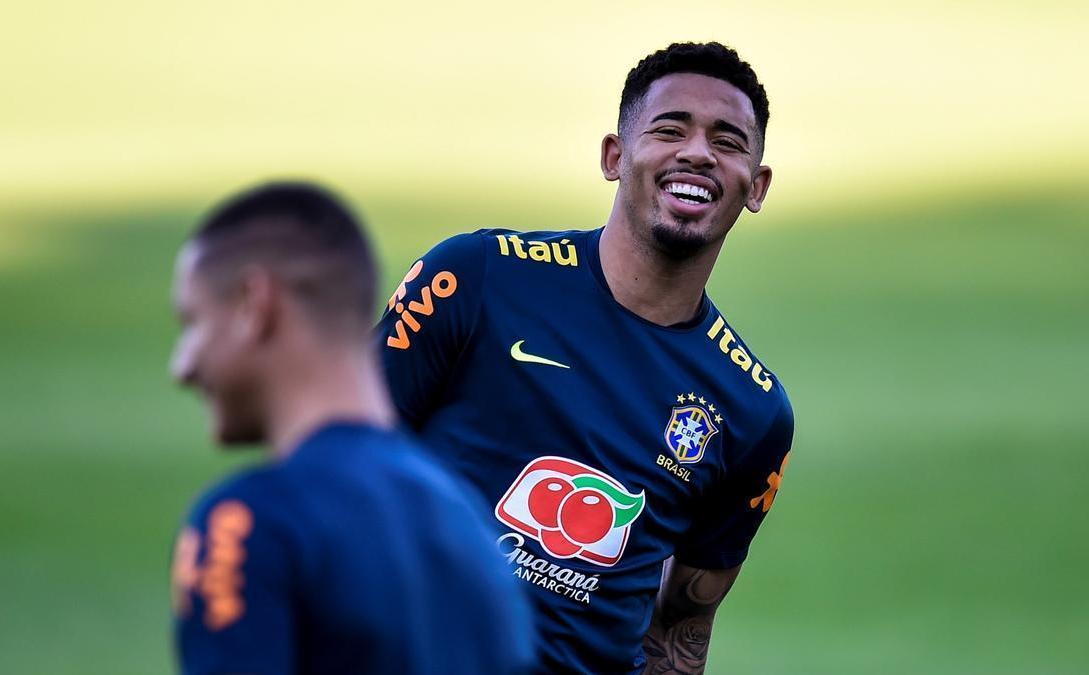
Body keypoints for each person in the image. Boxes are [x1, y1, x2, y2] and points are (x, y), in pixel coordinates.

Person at [376, 42, 794, 674]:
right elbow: (337, 464)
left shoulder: (752, 409)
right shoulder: (475, 278)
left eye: (728, 141)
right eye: (669, 129)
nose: (698, 152)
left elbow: (683, 622)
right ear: (614, 156)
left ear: (756, 186)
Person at [168, 182, 535, 675]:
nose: (183, 365)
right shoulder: (472, 527)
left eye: (193, 322)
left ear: (256, 306)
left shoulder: (251, 521)